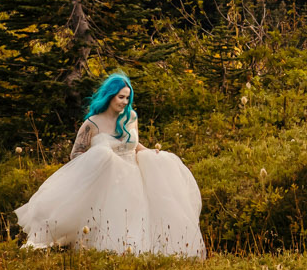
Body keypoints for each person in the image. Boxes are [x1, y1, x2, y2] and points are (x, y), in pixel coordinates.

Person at [13, 72, 205, 257]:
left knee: (137, 216)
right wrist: (100, 159)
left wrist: (150, 153)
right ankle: (105, 254)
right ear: (110, 96)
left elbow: (132, 143)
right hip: (107, 180)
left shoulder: (131, 117)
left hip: (133, 175)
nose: (124, 102)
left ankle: (138, 254)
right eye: (121, 97)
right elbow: (76, 153)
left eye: (128, 98)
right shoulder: (92, 123)